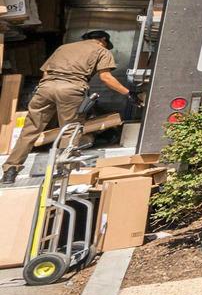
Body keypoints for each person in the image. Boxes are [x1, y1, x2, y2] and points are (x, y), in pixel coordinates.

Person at [3, 30, 131, 185]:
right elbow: (106, 77)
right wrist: (128, 93)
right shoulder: (101, 50)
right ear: (103, 40)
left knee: (30, 130)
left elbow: (45, 73)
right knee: (71, 129)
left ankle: (10, 170)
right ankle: (63, 171)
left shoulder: (63, 48)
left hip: (45, 88)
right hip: (71, 89)